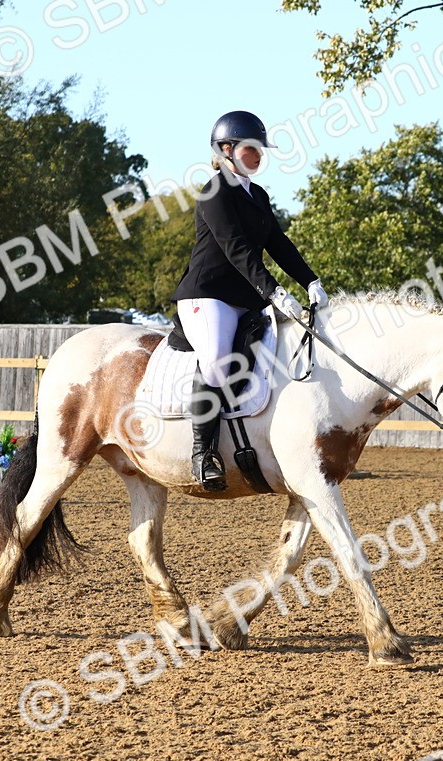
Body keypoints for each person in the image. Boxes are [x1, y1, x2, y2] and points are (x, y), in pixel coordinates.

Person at [171, 110, 327, 492]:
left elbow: (279, 244)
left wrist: (311, 280)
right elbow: (238, 250)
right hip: (207, 296)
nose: (258, 156)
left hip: (247, 296)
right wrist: (275, 292)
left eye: (260, 149)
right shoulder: (214, 192)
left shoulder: (257, 194)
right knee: (217, 361)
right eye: (250, 149)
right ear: (225, 150)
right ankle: (202, 453)